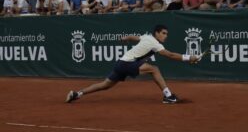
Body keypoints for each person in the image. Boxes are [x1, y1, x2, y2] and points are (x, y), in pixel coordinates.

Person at [66, 24, 200, 104]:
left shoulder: (146, 37)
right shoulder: (154, 42)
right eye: (164, 33)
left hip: (121, 63)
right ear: (157, 33)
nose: (166, 36)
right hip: (127, 63)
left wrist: (125, 38)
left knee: (105, 85)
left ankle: (77, 93)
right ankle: (168, 96)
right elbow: (169, 55)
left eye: (167, 34)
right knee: (154, 69)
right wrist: (189, 58)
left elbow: (132, 37)